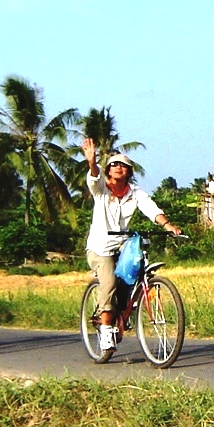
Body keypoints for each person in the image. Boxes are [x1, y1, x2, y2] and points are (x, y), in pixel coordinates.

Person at [82, 139, 182, 350]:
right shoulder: (101, 189)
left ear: (129, 171)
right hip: (100, 247)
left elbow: (152, 209)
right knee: (108, 283)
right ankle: (106, 327)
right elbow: (93, 178)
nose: (119, 168)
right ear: (108, 170)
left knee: (136, 269)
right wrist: (92, 162)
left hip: (123, 244)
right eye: (115, 165)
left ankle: (128, 306)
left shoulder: (135, 193)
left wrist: (168, 226)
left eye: (124, 165)